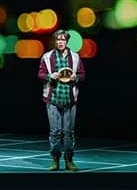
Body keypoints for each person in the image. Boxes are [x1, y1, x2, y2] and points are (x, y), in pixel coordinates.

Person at [37, 29, 86, 171]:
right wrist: (49, 76)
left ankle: (69, 160)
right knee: (55, 132)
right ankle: (55, 160)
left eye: (63, 39)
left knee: (68, 132)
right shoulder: (47, 57)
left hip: (69, 100)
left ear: (67, 41)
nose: (60, 42)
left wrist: (76, 78)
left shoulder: (75, 57)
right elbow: (40, 73)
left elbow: (82, 74)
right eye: (58, 39)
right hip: (53, 99)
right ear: (55, 41)